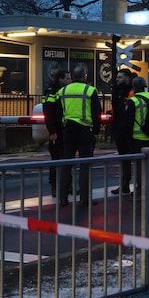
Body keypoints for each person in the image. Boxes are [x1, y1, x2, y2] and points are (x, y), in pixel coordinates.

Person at [56, 64, 102, 207]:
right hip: (85, 131)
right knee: (85, 166)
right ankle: (84, 198)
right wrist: (95, 130)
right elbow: (97, 113)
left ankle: (62, 197)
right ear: (85, 76)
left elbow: (58, 112)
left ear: (73, 76)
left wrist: (62, 128)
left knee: (66, 164)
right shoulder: (90, 90)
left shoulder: (62, 91)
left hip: (69, 130)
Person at [121, 76, 149, 195]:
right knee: (148, 166)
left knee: (139, 166)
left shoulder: (134, 101)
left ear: (133, 87)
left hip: (139, 138)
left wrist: (128, 138)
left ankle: (140, 191)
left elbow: (128, 122)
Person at [43, 67, 72, 198]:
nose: (70, 80)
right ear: (61, 79)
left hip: (66, 130)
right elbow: (48, 113)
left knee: (67, 159)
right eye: (68, 78)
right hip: (57, 131)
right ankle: (55, 187)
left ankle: (67, 186)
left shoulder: (65, 91)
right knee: (56, 160)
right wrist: (52, 131)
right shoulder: (51, 92)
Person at [110, 68, 134, 195]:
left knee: (137, 159)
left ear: (127, 78)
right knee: (125, 159)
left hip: (131, 131)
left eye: (120, 77)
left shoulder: (131, 91)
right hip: (119, 129)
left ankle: (144, 187)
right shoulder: (117, 91)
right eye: (117, 77)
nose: (117, 79)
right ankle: (124, 185)